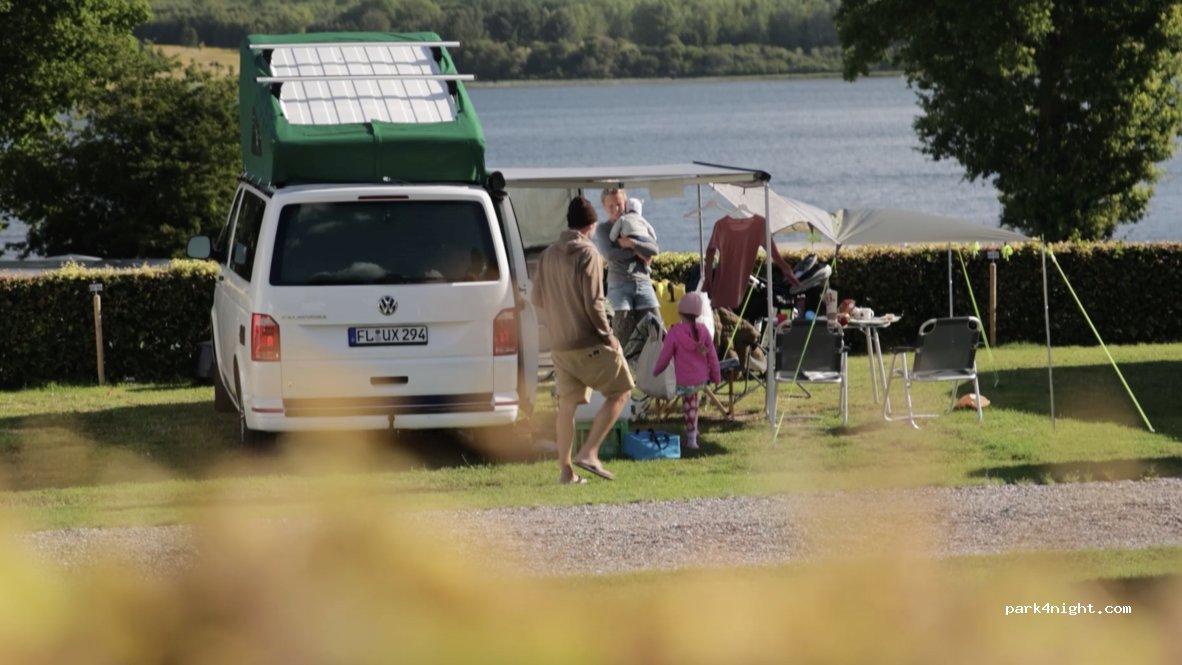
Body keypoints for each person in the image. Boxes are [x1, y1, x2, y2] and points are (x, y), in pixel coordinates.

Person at [531, 196, 635, 484]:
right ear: (590, 225)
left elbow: (537, 299)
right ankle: (589, 452)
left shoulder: (548, 255)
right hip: (588, 343)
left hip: (560, 346)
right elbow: (594, 303)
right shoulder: (589, 253)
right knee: (622, 390)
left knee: (567, 407)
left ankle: (566, 472)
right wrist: (608, 335)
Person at [652, 292, 721, 450]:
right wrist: (716, 376)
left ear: (680, 313)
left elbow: (665, 356)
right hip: (701, 379)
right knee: (693, 403)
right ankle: (694, 431)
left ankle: (691, 439)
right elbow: (712, 356)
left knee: (689, 406)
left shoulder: (674, 332)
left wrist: (656, 371)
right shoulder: (703, 330)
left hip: (684, 380)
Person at [595, 187, 660, 354]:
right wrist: (637, 252)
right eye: (611, 206)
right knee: (622, 335)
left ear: (625, 202)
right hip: (619, 286)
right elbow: (610, 254)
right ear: (604, 206)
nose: (616, 209)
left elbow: (653, 248)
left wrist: (631, 244)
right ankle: (624, 369)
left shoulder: (637, 222)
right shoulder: (603, 229)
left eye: (619, 204)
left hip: (643, 283)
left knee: (657, 331)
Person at [607, 197, 657, 276]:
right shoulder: (643, 220)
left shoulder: (623, 218)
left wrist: (614, 239)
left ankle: (633, 263)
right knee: (644, 251)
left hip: (630, 237)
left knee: (626, 247)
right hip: (645, 239)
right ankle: (646, 264)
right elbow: (653, 235)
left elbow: (612, 235)